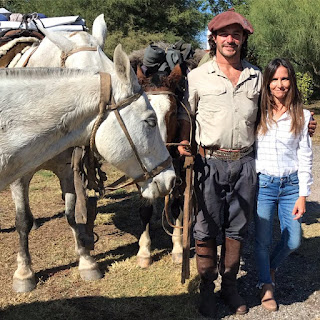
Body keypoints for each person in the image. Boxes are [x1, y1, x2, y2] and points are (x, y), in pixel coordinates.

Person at [177, 8, 317, 318]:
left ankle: (230, 287)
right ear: (213, 39)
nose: (230, 39)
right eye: (224, 34)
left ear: (243, 40)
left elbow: (278, 105)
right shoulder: (197, 77)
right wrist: (184, 142)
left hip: (245, 165)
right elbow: (185, 114)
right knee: (206, 228)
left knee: (237, 229)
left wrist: (305, 121)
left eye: (236, 34)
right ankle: (207, 290)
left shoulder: (256, 77)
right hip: (208, 164)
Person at [254, 58, 313, 311]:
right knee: (262, 240)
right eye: (275, 79)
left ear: (292, 81)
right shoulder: (257, 113)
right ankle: (266, 285)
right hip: (264, 185)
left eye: (285, 78)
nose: (280, 84)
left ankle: (270, 267)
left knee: (293, 240)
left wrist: (303, 195)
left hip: (290, 186)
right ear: (267, 83)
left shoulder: (303, 115)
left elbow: (305, 156)